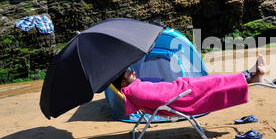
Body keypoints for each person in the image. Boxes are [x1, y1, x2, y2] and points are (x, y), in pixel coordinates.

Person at [112, 55, 267, 116]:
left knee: (215, 80)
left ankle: (252, 76)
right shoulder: (134, 90)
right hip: (183, 96)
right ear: (123, 83)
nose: (133, 72)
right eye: (128, 73)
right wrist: (182, 87)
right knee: (216, 83)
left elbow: (159, 92)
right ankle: (250, 74)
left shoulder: (135, 88)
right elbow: (163, 97)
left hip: (181, 91)